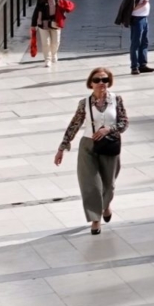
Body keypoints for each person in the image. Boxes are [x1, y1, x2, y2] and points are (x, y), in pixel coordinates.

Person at [53, 67, 126, 234]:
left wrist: (109, 129)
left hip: (110, 145)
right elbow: (74, 125)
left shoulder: (117, 100)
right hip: (89, 145)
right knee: (90, 185)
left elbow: (124, 123)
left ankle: (106, 205)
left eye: (105, 80)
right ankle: (95, 219)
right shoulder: (84, 103)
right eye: (97, 80)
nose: (102, 83)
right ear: (90, 84)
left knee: (109, 185)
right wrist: (62, 148)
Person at [114, 0, 154, 74]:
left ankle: (142, 64)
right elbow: (129, 8)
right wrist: (143, 4)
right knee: (136, 43)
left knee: (144, 42)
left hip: (144, 19)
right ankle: (134, 67)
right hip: (137, 20)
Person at [31, 0, 74, 71]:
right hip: (43, 24)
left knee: (55, 42)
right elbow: (36, 12)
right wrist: (33, 24)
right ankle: (47, 59)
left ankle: (54, 54)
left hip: (55, 23)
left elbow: (67, 8)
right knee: (45, 43)